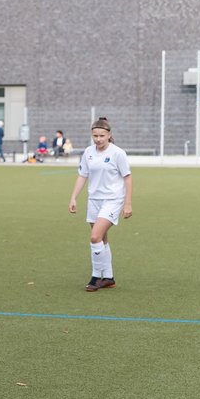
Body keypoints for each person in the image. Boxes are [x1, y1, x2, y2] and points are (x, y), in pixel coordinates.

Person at [68, 117, 133, 291]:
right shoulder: (88, 152)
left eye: (102, 135)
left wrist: (128, 204)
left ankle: (96, 277)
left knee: (95, 237)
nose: (98, 139)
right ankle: (109, 277)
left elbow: (127, 178)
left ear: (109, 135)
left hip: (112, 200)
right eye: (95, 135)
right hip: (94, 200)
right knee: (102, 239)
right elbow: (83, 175)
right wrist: (73, 197)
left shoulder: (118, 153)